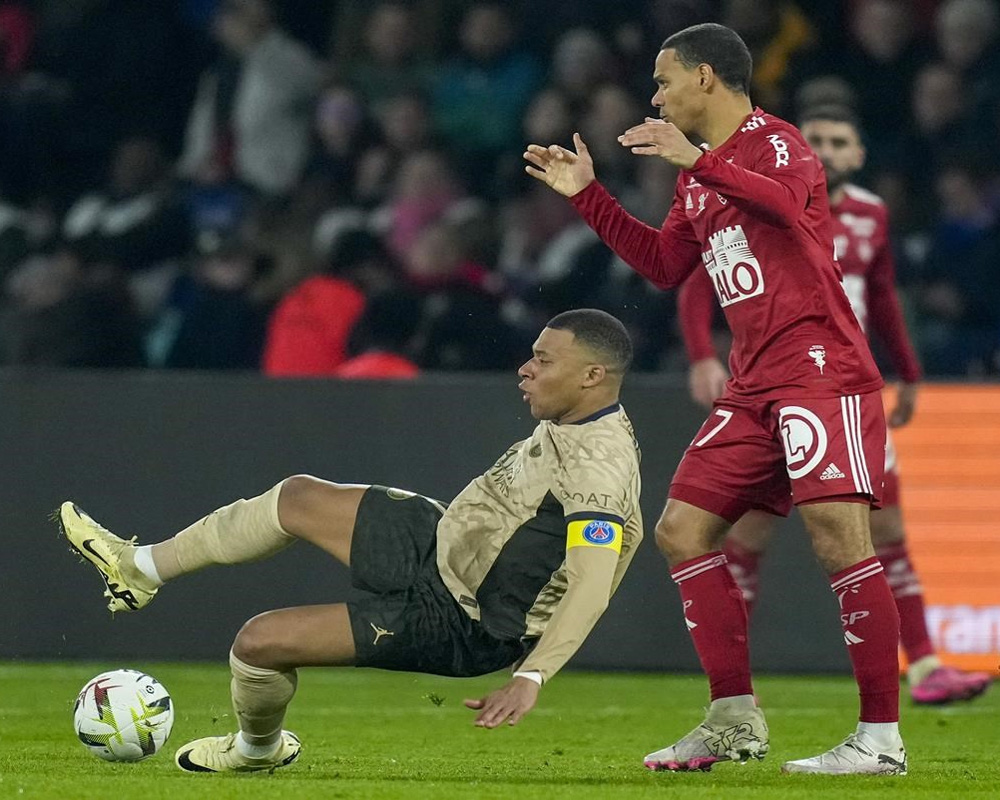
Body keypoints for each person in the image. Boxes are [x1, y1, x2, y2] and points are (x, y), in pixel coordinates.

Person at [524, 23, 906, 775]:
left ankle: (880, 740)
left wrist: (697, 158)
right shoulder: (695, 177)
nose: (656, 96)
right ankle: (734, 719)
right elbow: (667, 266)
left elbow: (788, 208)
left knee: (839, 538)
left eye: (665, 82)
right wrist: (589, 197)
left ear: (705, 77)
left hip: (818, 368)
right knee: (681, 530)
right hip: (753, 382)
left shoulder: (778, 143)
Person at [58, 308, 643, 774]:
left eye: (542, 360)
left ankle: (257, 751)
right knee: (298, 498)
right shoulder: (572, 414)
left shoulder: (599, 467)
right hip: (440, 542)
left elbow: (592, 583)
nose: (526, 368)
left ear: (593, 376)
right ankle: (140, 568)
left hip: (469, 619)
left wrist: (530, 677)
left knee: (259, 642)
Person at [678, 104, 994, 705]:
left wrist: (910, 373)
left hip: (842, 386)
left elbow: (882, 296)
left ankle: (921, 670)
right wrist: (701, 354)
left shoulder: (873, 214)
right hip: (773, 380)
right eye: (814, 137)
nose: (823, 147)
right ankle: (731, 687)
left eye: (837, 139)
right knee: (744, 534)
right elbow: (696, 276)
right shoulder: (765, 200)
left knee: (881, 530)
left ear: (858, 154)